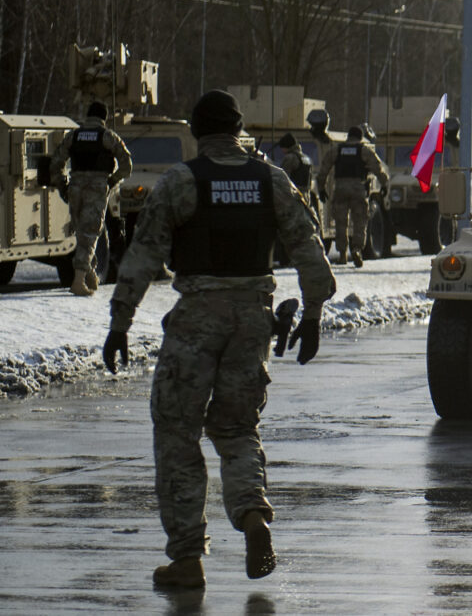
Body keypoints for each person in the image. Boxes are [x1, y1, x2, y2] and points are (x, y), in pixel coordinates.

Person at [102, 90, 336, 590]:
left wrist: (120, 321)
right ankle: (254, 516)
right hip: (254, 319)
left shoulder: (181, 182)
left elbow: (143, 254)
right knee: (236, 428)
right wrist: (313, 313)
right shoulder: (271, 180)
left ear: (195, 129)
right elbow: (309, 248)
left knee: (177, 430)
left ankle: (187, 558)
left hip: (197, 320)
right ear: (238, 129)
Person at [48, 101, 133, 296]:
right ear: (104, 118)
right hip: (96, 189)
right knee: (90, 233)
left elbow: (56, 163)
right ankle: (78, 281)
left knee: (82, 233)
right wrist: (112, 181)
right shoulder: (107, 137)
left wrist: (63, 186)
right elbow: (127, 165)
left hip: (75, 189)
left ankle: (91, 274)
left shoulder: (73, 136)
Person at [316, 125, 387, 267]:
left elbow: (323, 169)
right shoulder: (364, 150)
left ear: (348, 136)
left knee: (341, 223)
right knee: (360, 222)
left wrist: (321, 188)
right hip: (358, 189)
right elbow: (378, 168)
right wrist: (384, 184)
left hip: (340, 188)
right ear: (360, 137)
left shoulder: (337, 150)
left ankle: (342, 254)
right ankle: (356, 250)